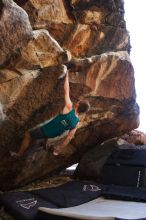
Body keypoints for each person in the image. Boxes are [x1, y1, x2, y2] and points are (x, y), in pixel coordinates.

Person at [11, 65, 90, 157]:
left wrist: (67, 75)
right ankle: (45, 142)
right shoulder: (76, 123)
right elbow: (69, 138)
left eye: (79, 102)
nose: (77, 101)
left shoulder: (69, 107)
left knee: (28, 135)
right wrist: (59, 148)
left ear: (78, 104)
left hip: (46, 130)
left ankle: (18, 154)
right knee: (55, 124)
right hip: (54, 135)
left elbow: (66, 90)